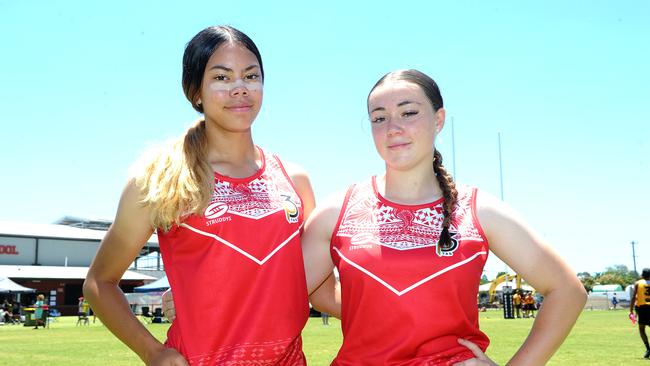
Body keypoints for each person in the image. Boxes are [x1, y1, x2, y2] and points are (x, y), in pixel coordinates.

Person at [300, 69, 587, 365]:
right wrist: (392, 312)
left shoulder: (481, 211)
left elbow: (566, 290)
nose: (393, 128)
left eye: (408, 112)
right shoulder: (335, 212)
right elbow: (311, 293)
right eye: (379, 118)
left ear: (438, 120)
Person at [84, 25, 318, 365]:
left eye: (251, 76)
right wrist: (154, 353)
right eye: (221, 78)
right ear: (196, 92)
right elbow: (100, 282)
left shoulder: (295, 180)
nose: (240, 88)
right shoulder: (161, 179)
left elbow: (311, 281)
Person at [630, 268, 650, 358]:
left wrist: (631, 310)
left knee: (642, 329)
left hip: (642, 308)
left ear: (642, 275)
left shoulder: (638, 283)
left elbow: (634, 297)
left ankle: (648, 348)